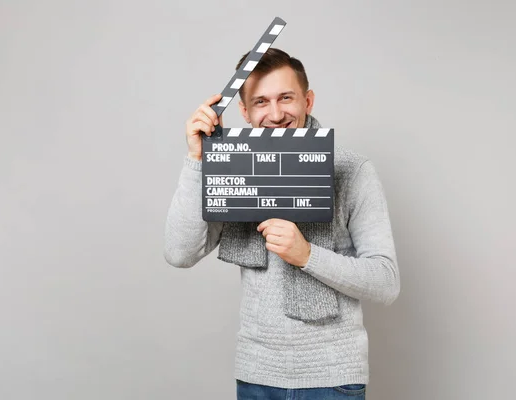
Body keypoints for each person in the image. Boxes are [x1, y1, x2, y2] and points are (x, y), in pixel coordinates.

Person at [163, 48, 400, 399]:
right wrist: (197, 159)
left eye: (286, 98)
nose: (275, 114)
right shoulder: (229, 169)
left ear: (308, 100)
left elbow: (386, 282)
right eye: (261, 102)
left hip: (333, 378)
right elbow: (179, 253)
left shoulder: (351, 170)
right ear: (243, 110)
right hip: (257, 375)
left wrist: (307, 255)